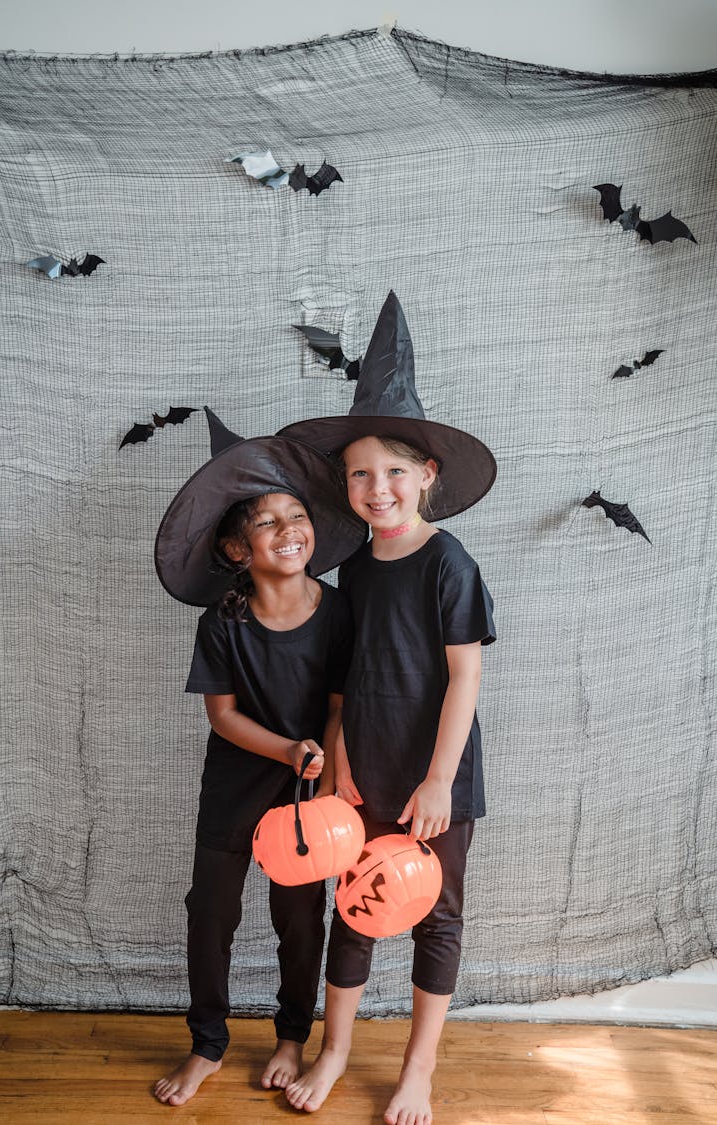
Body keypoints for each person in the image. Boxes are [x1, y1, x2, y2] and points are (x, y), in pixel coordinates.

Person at [279, 292, 497, 1125]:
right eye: (362, 473)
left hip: (436, 774)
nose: (378, 488)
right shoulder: (357, 574)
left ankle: (417, 1072)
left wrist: (439, 780)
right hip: (363, 769)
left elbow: (465, 678)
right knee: (357, 906)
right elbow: (346, 683)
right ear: (347, 483)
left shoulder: (450, 563)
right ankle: (335, 1049)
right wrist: (337, 761)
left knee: (435, 917)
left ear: (427, 477)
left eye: (395, 472)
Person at [152, 408, 367, 1106]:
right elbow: (222, 715)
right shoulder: (223, 621)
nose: (287, 529)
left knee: (300, 917)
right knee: (209, 911)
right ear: (238, 549)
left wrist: (325, 782)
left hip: (307, 793)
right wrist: (286, 747)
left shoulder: (338, 614)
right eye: (266, 522)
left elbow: (337, 710)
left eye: (294, 514)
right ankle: (207, 1043)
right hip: (236, 781)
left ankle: (290, 1037)